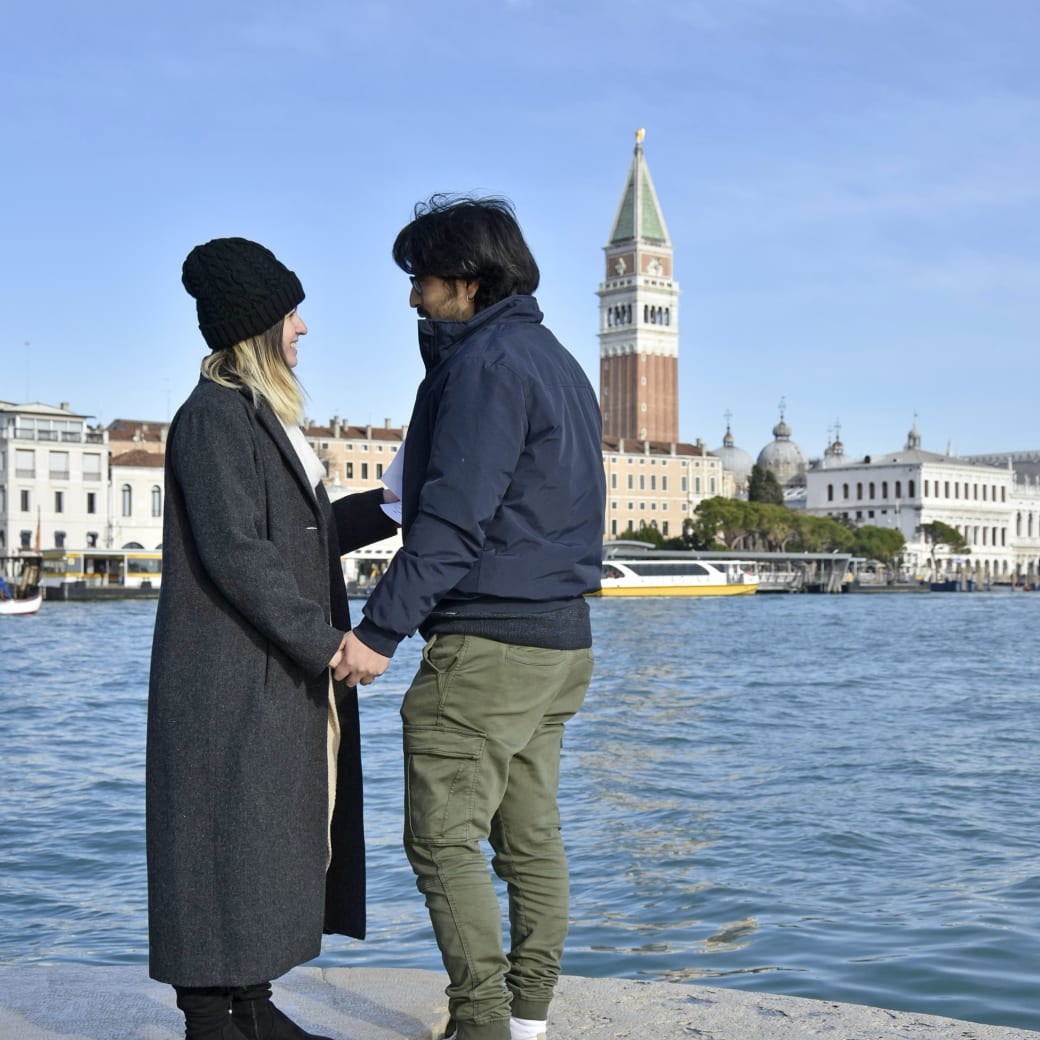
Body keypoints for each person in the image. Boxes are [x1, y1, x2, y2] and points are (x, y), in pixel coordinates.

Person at [334, 197, 606, 1040]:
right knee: (531, 838)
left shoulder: (486, 367)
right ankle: (527, 1018)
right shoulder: (557, 361)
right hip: (560, 642)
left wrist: (377, 631)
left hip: (490, 645)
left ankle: (482, 1024)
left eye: (422, 279)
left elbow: (453, 522)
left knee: (442, 839)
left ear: (468, 281)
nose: (413, 296)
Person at [147, 237, 398, 1040]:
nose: (303, 328)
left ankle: (251, 1007)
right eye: (292, 314)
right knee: (217, 838)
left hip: (259, 670)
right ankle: (210, 1018)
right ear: (256, 327)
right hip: (225, 673)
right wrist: (326, 643)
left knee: (251, 842)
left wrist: (395, 506)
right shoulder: (213, 418)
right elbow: (238, 552)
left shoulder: (257, 417)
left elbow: (304, 535)